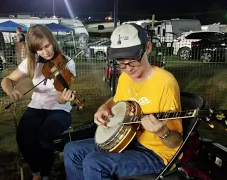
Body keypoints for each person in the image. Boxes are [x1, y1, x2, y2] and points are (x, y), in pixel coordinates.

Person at [63, 23, 183, 180]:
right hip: (129, 140)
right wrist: (105, 106)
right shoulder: (126, 77)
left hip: (156, 153)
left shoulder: (165, 83)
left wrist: (163, 132)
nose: (128, 69)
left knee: (94, 163)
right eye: (121, 63)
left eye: (133, 61)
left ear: (147, 47)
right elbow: (117, 99)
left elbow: (176, 143)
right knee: (71, 150)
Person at [1, 24, 76, 180]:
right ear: (34, 50)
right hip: (36, 107)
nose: (46, 52)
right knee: (23, 137)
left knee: (44, 136)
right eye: (40, 49)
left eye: (47, 46)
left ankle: (46, 174)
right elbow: (7, 80)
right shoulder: (32, 62)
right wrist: (10, 90)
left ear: (52, 41)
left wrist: (64, 98)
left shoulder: (66, 63)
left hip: (59, 109)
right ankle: (36, 172)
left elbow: (60, 98)